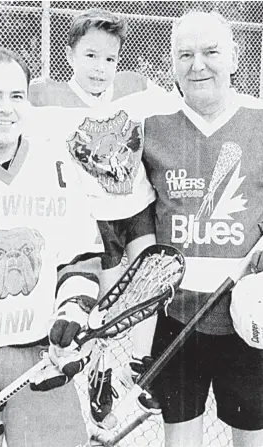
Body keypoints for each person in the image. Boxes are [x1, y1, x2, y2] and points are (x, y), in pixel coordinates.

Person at [0, 46, 104, 447]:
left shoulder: (54, 164)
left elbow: (81, 255)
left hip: (40, 359)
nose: (6, 108)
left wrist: (72, 309)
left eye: (16, 96)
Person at [29, 9, 172, 426]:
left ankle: (140, 365)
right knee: (106, 309)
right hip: (95, 220)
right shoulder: (45, 97)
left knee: (151, 286)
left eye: (109, 58)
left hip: (138, 205)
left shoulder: (136, 87)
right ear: (70, 55)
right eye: (90, 56)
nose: (100, 67)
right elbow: (5, 111)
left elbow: (183, 108)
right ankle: (100, 376)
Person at [141, 10, 263, 447]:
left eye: (211, 52)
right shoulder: (150, 126)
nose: (198, 65)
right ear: (171, 63)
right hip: (174, 312)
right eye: (185, 54)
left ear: (235, 57)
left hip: (248, 315)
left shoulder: (260, 120)